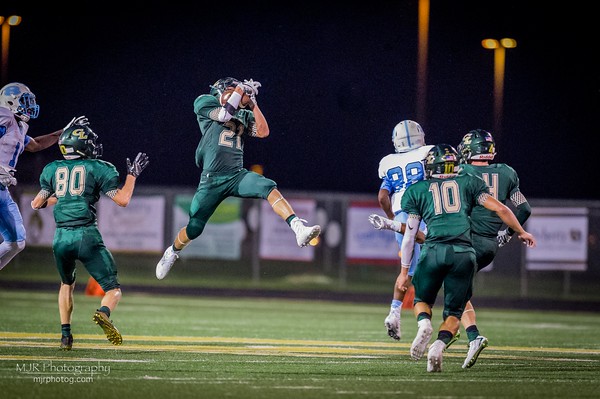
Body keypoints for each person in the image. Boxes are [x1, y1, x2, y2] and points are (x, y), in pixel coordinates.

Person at [155, 77, 321, 280]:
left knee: (268, 187)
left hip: (236, 174)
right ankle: (172, 251)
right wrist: (241, 89)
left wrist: (253, 104)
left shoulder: (242, 113)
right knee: (195, 227)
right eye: (234, 89)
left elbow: (263, 131)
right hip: (212, 179)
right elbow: (224, 113)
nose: (239, 93)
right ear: (222, 89)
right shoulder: (205, 101)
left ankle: (298, 228)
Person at [397, 143, 535, 372]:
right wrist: (519, 232)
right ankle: (439, 346)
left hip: (434, 249)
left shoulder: (417, 190)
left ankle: (424, 324)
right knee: (455, 309)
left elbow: (410, 236)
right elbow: (504, 209)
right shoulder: (470, 182)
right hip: (465, 252)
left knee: (422, 299)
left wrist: (403, 273)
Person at [31, 122, 150, 350]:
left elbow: (37, 203)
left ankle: (66, 336)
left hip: (61, 239)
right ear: (82, 146)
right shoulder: (99, 167)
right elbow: (122, 200)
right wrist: (132, 175)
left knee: (67, 283)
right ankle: (103, 313)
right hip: (86, 235)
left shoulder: (52, 169)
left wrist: (63, 197)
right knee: (113, 289)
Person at [455, 128, 532, 368]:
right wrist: (507, 235)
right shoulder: (507, 173)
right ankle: (454, 335)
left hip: (466, 240)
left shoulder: (463, 171)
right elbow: (525, 209)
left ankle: (466, 336)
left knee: (451, 287)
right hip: (489, 245)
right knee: (457, 289)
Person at [367, 120, 431, 341]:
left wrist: (393, 220)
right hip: (424, 213)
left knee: (408, 271)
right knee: (429, 270)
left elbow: (382, 197)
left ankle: (394, 312)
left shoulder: (389, 162)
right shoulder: (427, 153)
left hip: (401, 219)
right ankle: (425, 322)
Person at [0, 82, 70, 270]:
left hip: (2, 189)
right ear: (10, 101)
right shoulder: (4, 115)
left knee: (16, 242)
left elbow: (36, 145)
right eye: (24, 101)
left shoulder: (18, 126)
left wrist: (62, 132)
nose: (29, 106)